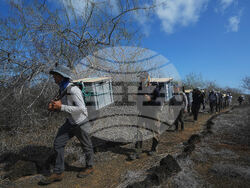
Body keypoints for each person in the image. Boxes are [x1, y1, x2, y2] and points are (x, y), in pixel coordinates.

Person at [39, 65, 94, 185]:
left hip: (81, 122)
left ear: (62, 77)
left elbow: (81, 109)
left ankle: (90, 167)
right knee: (58, 143)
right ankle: (58, 172)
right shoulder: (62, 89)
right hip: (70, 122)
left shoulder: (73, 90)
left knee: (86, 146)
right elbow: (65, 107)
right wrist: (55, 108)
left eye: (56, 75)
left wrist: (61, 107)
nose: (53, 77)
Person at [129, 72, 161, 160]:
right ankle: (137, 151)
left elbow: (159, 102)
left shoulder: (154, 88)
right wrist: (136, 98)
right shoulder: (140, 88)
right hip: (143, 112)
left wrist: (151, 99)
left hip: (153, 113)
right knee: (139, 131)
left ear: (147, 78)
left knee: (154, 132)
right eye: (140, 78)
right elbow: (140, 100)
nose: (141, 79)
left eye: (143, 78)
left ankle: (154, 149)